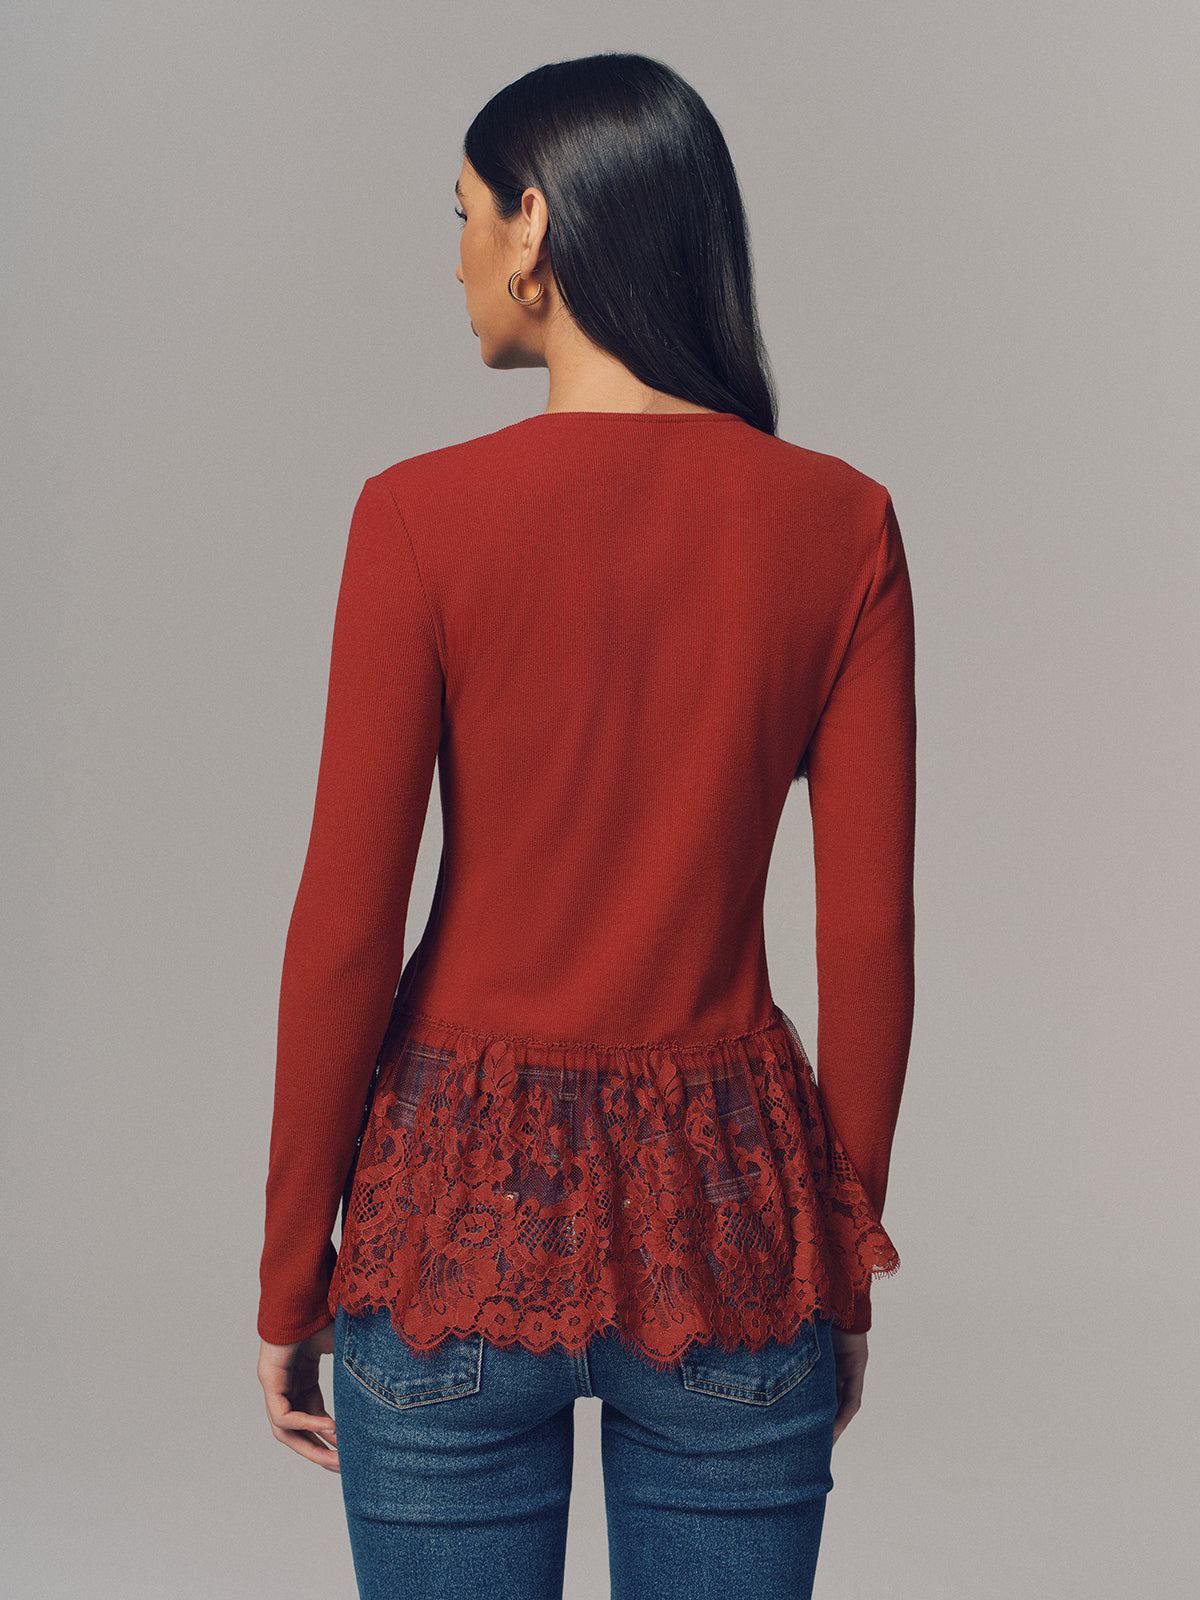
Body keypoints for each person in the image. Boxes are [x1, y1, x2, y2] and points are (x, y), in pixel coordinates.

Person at [256, 51, 915, 1600]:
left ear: (535, 226)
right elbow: (870, 936)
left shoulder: (417, 516)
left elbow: (345, 930)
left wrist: (291, 1274)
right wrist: (840, 1264)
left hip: (450, 1232)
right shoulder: (841, 524)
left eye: (465, 214)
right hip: (732, 1238)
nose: (458, 256)